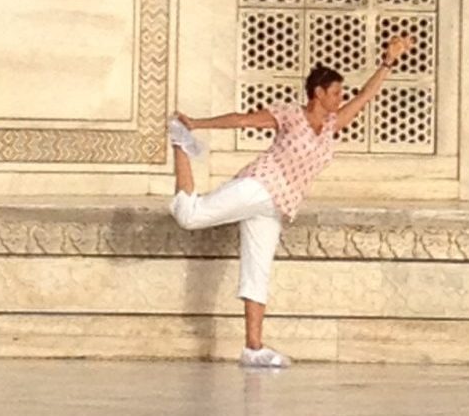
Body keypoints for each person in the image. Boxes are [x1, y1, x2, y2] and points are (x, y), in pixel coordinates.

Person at [165, 34, 417, 369]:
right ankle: (180, 143)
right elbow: (242, 119)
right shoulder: (289, 115)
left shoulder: (331, 125)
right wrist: (196, 124)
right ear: (319, 93)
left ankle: (253, 348)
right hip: (258, 185)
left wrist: (388, 62)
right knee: (190, 216)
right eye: (336, 93)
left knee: (258, 273)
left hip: (277, 206)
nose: (341, 99)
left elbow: (366, 97)